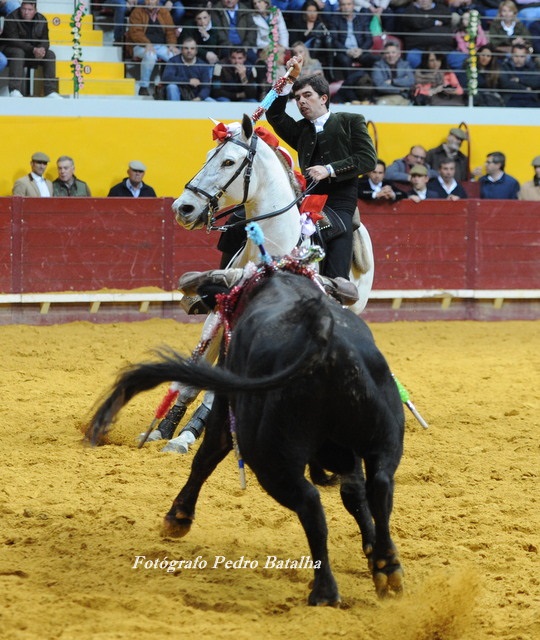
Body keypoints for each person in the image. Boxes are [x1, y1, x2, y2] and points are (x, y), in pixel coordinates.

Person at [266, 56, 377, 280]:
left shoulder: (351, 121)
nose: (301, 102)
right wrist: (289, 79)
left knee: (338, 239)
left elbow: (367, 159)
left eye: (307, 95)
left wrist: (329, 169)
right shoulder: (300, 131)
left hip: (340, 201)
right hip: (307, 199)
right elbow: (274, 115)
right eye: (297, 98)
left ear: (324, 98)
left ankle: (338, 285)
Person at [1, 0, 62, 98]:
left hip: (32, 52)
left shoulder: (41, 19)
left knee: (50, 54)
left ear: (35, 10)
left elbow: (45, 40)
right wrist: (33, 49)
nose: (26, 12)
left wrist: (41, 49)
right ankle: (14, 90)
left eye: (29, 10)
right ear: (20, 8)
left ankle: (50, 92)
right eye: (24, 9)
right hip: (10, 50)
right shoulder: (12, 18)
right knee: (18, 52)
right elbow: (13, 41)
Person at [126, 0, 179, 97]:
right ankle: (143, 86)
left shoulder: (164, 12)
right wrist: (147, 43)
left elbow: (170, 31)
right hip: (140, 45)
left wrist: (172, 45)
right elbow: (135, 32)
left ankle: (165, 85)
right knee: (150, 56)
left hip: (160, 46)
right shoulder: (137, 12)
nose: (150, 1)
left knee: (174, 57)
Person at [400, 0, 455, 69]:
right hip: (419, 49)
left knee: (460, 59)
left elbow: (446, 18)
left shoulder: (442, 8)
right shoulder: (410, 10)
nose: (424, 0)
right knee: (412, 58)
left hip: (444, 49)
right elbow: (415, 22)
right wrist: (434, 22)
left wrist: (424, 20)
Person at [329, 0, 374, 80]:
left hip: (359, 50)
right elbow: (334, 40)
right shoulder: (334, 19)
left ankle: (370, 83)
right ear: (340, 7)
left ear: (353, 5)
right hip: (344, 52)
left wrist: (361, 50)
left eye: (349, 4)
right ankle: (350, 83)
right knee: (345, 60)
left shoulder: (362, 18)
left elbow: (369, 39)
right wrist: (347, 51)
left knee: (374, 59)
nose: (346, 7)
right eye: (343, 5)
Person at [371, 40, 414, 105]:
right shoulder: (378, 66)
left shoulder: (405, 65)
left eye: (393, 52)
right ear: (384, 54)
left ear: (399, 54)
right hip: (383, 97)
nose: (391, 55)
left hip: (403, 97)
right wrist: (400, 89)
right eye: (387, 53)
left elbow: (411, 81)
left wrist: (393, 81)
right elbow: (380, 86)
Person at [500, 43, 540, 108]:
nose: (519, 59)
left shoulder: (532, 67)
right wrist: (525, 88)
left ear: (526, 57)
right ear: (511, 55)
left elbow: (537, 81)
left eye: (522, 56)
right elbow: (505, 83)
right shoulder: (505, 67)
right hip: (511, 100)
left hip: (531, 100)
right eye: (516, 56)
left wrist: (519, 80)